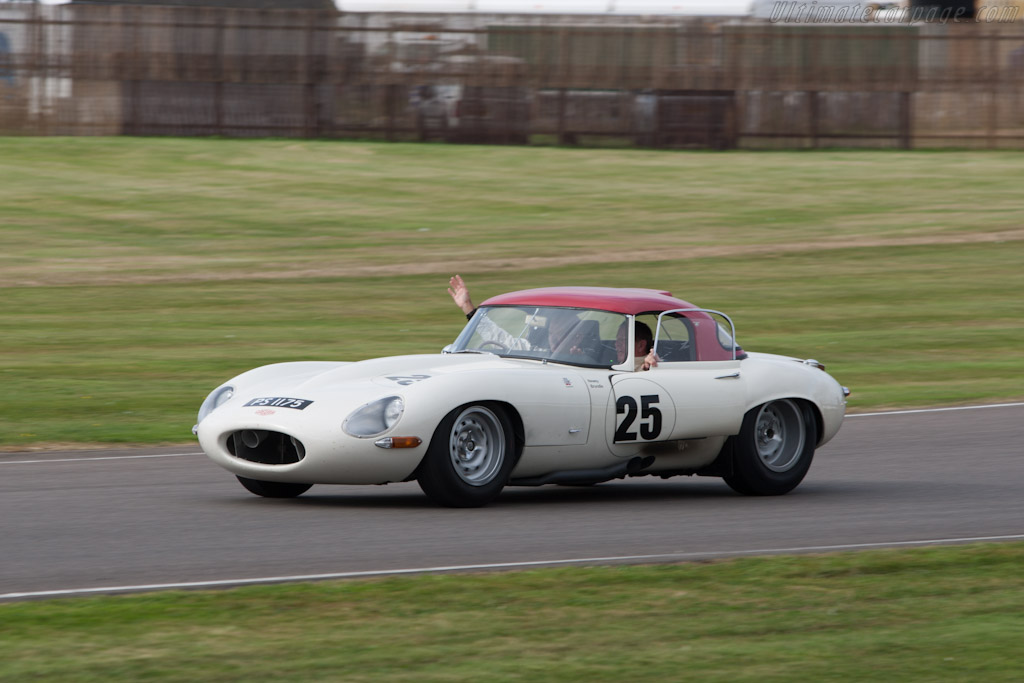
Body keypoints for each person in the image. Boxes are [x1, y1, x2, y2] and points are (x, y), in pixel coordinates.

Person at [448, 275, 658, 371]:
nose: (553, 339)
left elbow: (649, 366)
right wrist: (468, 308)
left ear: (575, 335)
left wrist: (650, 365)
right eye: (551, 334)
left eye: (559, 334)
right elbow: (499, 337)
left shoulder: (596, 357)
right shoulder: (535, 351)